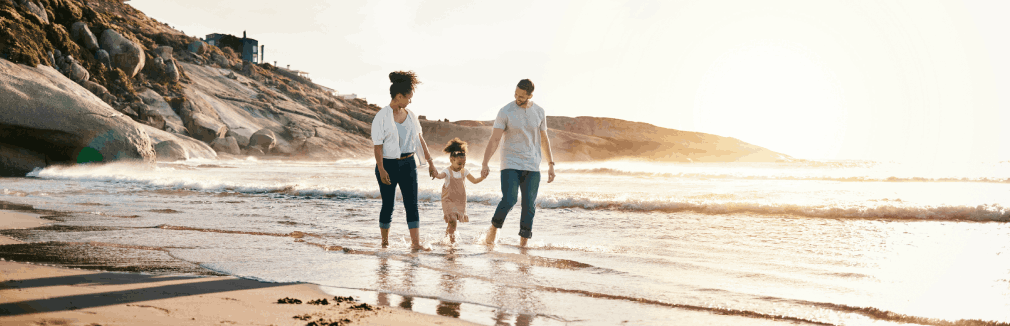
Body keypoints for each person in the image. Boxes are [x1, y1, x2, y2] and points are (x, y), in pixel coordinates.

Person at [481, 79, 556, 247]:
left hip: (532, 165)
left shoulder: (539, 112)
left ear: (530, 96)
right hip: (510, 163)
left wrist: (551, 164)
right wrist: (485, 162)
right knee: (510, 199)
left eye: (521, 96)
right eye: (516, 94)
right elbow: (495, 138)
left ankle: (523, 245)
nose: (517, 98)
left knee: (529, 205)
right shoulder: (505, 111)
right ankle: (494, 227)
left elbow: (544, 139)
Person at [371, 70, 437, 250]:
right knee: (388, 205)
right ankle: (385, 243)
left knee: (412, 204)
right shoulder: (381, 116)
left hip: (408, 164)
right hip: (388, 164)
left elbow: (420, 140)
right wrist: (381, 169)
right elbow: (377, 146)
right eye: (408, 97)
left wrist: (431, 163)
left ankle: (415, 244)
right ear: (399, 96)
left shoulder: (411, 115)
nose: (410, 101)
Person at [433, 138, 487, 243]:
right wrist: (435, 173)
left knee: (452, 223)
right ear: (452, 160)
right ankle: (452, 243)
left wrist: (482, 177)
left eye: (463, 164)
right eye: (459, 164)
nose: (461, 166)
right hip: (448, 200)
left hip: (459, 201)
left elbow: (474, 181)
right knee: (453, 220)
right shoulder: (447, 171)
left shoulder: (464, 171)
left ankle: (446, 240)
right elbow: (440, 176)